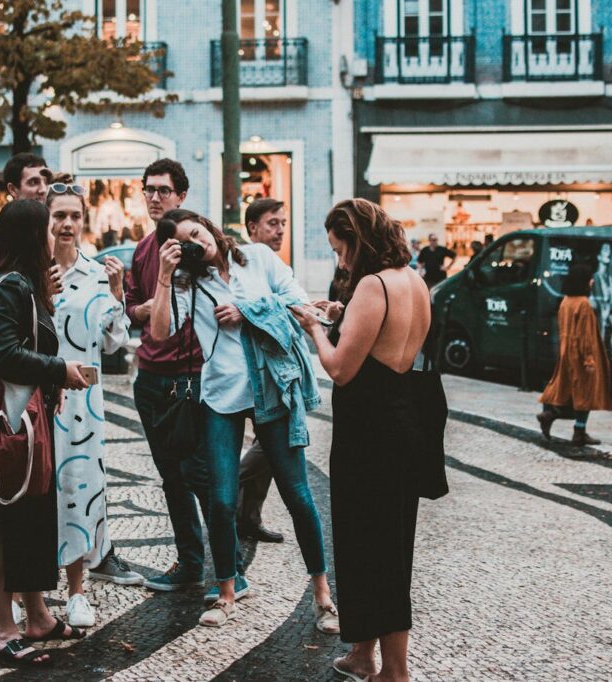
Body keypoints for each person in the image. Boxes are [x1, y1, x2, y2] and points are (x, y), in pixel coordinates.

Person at [151, 209, 339, 632]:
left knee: (297, 494)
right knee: (220, 499)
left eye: (197, 231)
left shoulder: (257, 258)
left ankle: (323, 594)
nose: (199, 242)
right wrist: (165, 276)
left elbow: (298, 303)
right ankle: (226, 591)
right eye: (188, 242)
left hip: (271, 389)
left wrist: (245, 309)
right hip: (221, 397)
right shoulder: (188, 284)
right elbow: (161, 333)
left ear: (207, 225)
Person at [291, 198, 430, 682]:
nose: (341, 261)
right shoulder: (414, 280)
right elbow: (388, 346)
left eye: (341, 249)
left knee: (367, 549)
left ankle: (395, 670)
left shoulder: (373, 285)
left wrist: (313, 328)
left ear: (359, 240)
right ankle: (363, 655)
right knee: (387, 548)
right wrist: (341, 317)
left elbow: (341, 369)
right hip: (402, 424)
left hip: (369, 434)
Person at [0, 199, 91, 666]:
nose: (56, 235)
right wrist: (61, 369)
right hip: (10, 425)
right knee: (3, 518)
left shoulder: (24, 285)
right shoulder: (8, 286)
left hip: (29, 421)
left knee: (32, 515)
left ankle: (37, 615)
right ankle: (2, 628)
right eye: (48, 228)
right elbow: (4, 353)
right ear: (32, 237)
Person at [46, 179, 143, 629]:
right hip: (39, 399)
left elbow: (113, 340)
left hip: (84, 406)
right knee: (39, 495)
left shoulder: (95, 273)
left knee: (82, 491)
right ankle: (31, 595)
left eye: (74, 216)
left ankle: (77, 591)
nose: (67, 223)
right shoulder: (32, 272)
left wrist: (118, 293)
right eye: (59, 215)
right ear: (46, 219)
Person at [125, 159, 211, 593]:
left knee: (199, 472)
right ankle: (191, 564)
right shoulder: (142, 250)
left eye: (163, 190)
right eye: (149, 190)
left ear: (181, 196)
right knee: (171, 476)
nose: (155, 197)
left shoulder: (196, 247)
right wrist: (144, 307)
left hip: (190, 374)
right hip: (150, 375)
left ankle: (228, 571)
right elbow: (132, 307)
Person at [234, 197, 290, 544]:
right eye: (272, 223)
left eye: (283, 223)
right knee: (273, 443)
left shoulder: (275, 265)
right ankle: (224, 486)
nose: (280, 229)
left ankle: (249, 517)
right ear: (252, 228)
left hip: (270, 371)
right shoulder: (241, 265)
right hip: (246, 372)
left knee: (268, 445)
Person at [537, 264, 612, 446]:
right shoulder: (583, 304)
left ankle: (551, 414)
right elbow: (585, 334)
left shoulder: (566, 302)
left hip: (566, 352)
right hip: (580, 355)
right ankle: (579, 431)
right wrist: (589, 358)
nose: (592, 281)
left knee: (569, 390)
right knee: (585, 392)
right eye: (589, 278)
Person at [0, 153, 51, 280]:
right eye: (33, 182)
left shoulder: (56, 228)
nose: (43, 190)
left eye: (46, 182)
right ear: (13, 189)